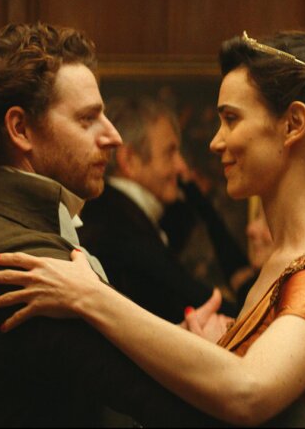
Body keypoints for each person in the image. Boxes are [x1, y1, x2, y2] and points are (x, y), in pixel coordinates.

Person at [0, 17, 305, 427]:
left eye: (231, 119)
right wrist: (211, 350)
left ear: (293, 124)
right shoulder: (288, 260)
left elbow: (248, 392)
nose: (215, 141)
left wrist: (90, 296)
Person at [0, 22, 227, 427]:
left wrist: (176, 340)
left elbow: (81, 385)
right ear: (20, 129)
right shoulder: (22, 260)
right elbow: (168, 409)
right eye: (88, 119)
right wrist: (206, 356)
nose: (113, 136)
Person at [78, 96, 238, 323]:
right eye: (170, 152)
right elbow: (189, 296)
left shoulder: (118, 216)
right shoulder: (119, 230)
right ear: (130, 160)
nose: (181, 166)